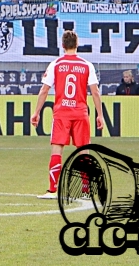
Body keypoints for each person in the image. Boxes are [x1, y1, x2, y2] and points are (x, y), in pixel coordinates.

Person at [31, 30, 103, 199]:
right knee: (84, 152)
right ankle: (86, 191)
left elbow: (44, 90)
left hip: (62, 113)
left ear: (62, 45)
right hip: (80, 112)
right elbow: (95, 91)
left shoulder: (56, 64)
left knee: (57, 149)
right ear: (77, 45)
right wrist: (100, 114)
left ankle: (53, 190)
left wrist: (37, 112)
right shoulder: (87, 65)